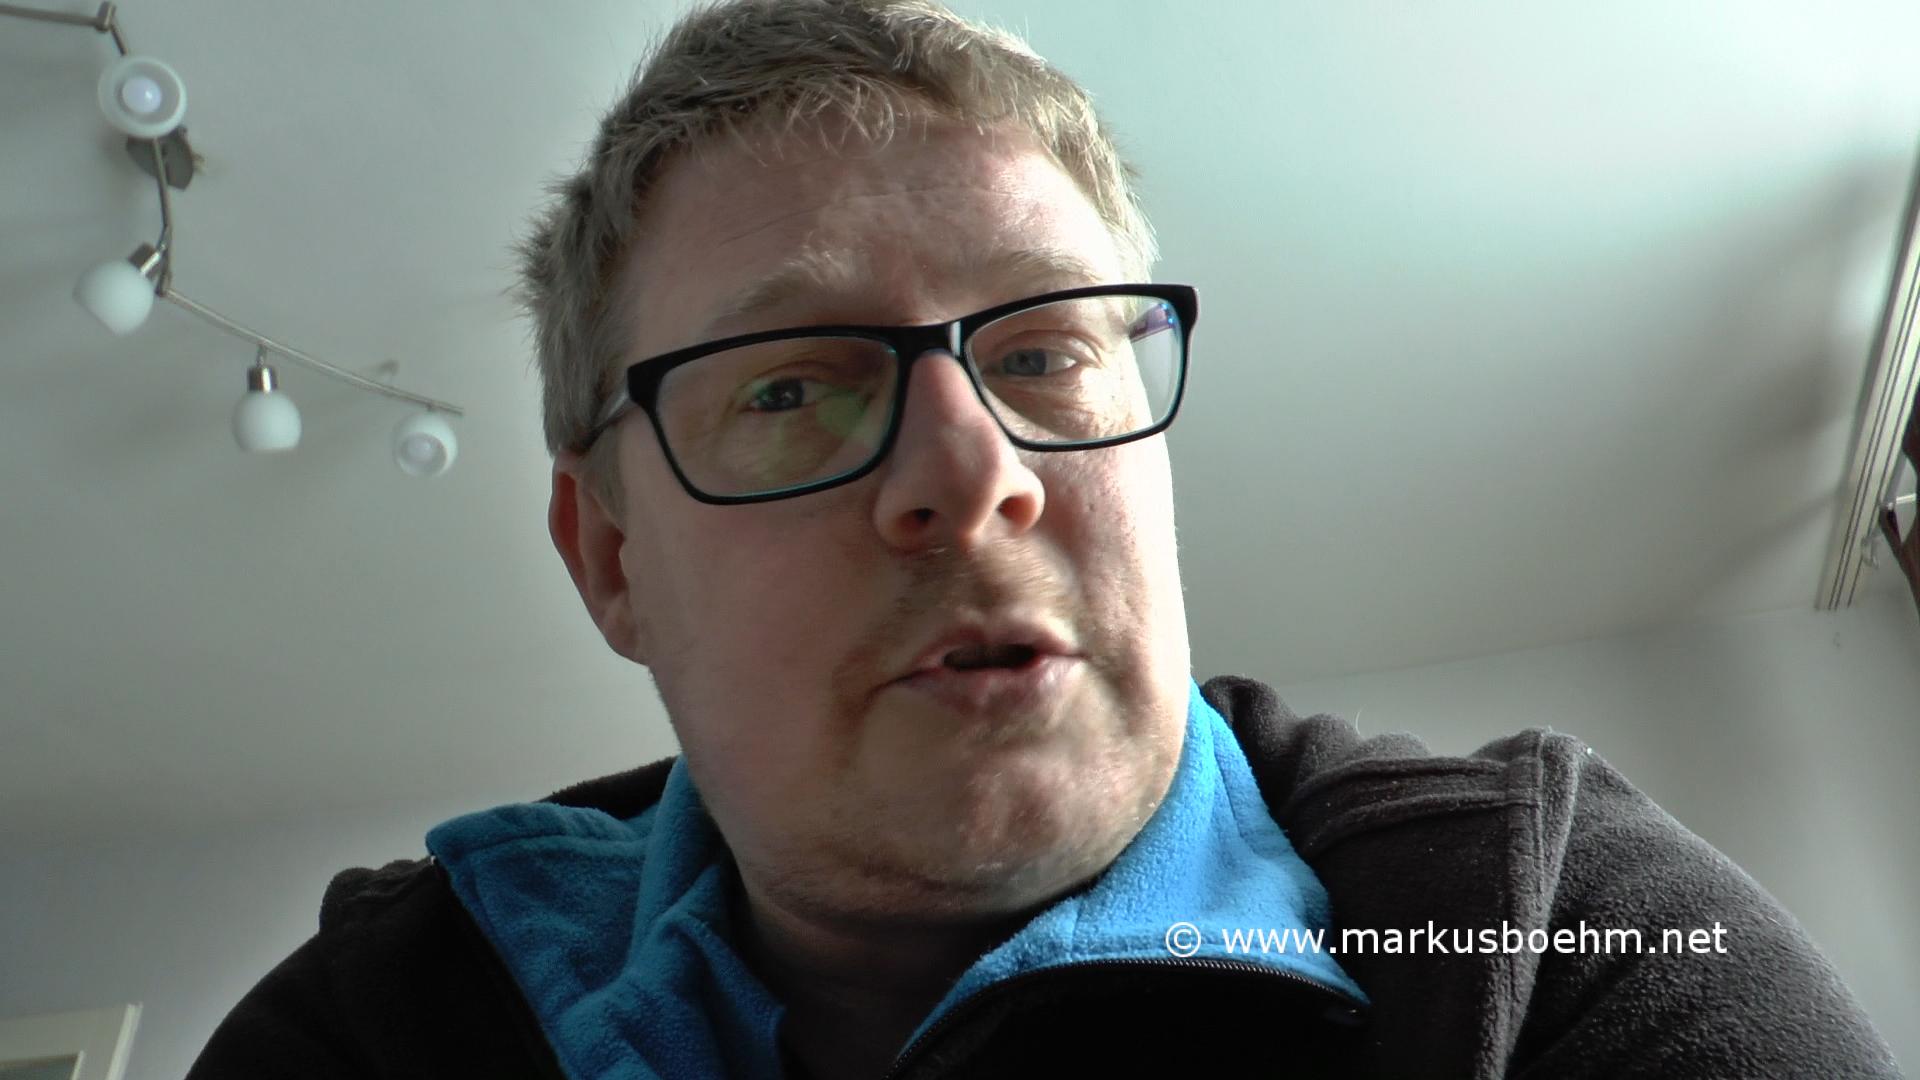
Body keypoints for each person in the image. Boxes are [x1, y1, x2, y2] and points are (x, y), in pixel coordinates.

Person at [186, 1, 1900, 1076]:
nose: (970, 472)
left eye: (1048, 351)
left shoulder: (1544, 939)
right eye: (789, 387)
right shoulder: (379, 1030)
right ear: (613, 557)